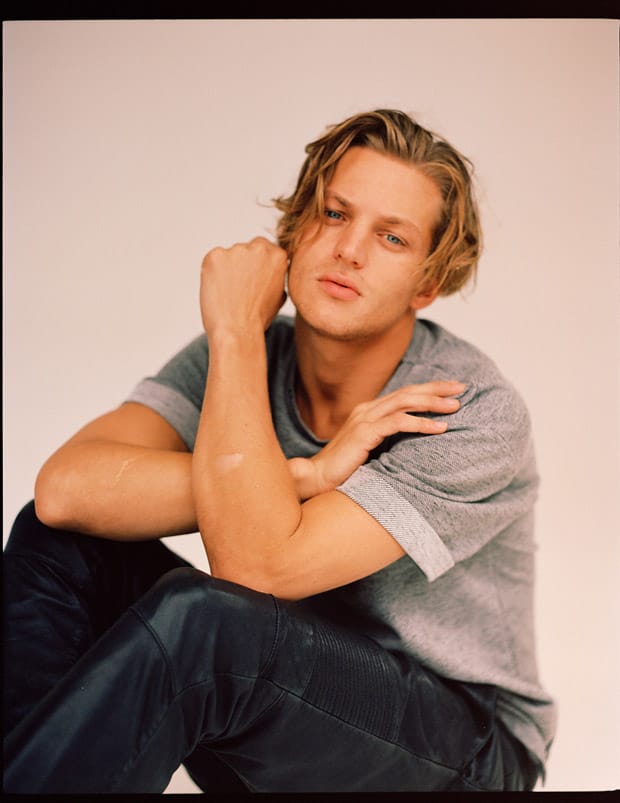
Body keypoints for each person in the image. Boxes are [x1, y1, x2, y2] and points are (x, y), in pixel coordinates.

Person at [3, 108, 556, 793]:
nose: (349, 249)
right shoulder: (246, 355)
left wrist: (235, 330)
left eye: (390, 237)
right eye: (333, 214)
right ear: (294, 229)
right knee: (64, 543)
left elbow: (254, 569)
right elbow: (65, 492)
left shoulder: (464, 407)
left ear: (426, 283)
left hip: (464, 750)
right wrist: (303, 473)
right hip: (280, 709)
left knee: (207, 620)